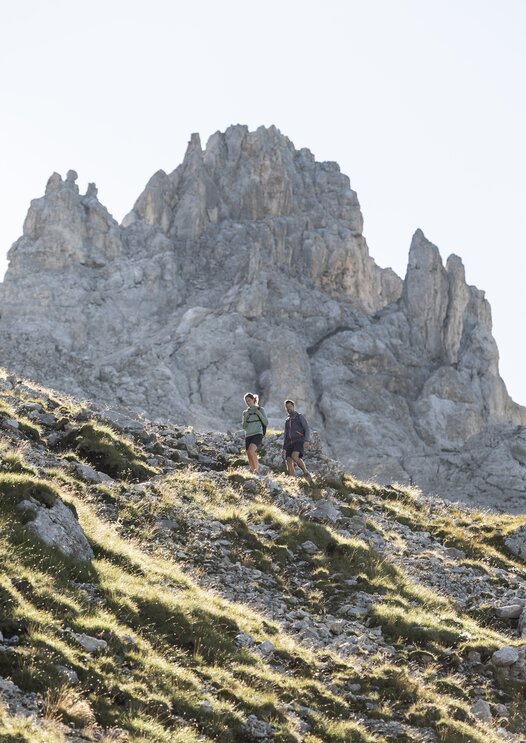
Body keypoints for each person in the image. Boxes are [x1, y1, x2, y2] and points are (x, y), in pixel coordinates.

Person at [282, 399, 312, 479]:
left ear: (293, 407)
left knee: (295, 456)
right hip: (289, 443)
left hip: (299, 440)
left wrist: (306, 440)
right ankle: (293, 479)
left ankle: (305, 472)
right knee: (288, 460)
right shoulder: (287, 421)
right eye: (287, 407)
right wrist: (284, 448)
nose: (289, 408)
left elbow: (307, 428)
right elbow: (285, 435)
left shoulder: (299, 416)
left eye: (290, 406)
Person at [242, 393, 268, 475]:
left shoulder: (261, 409)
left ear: (253, 399)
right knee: (248, 453)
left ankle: (257, 470)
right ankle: (253, 471)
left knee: (251, 450)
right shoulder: (245, 412)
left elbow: (266, 422)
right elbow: (244, 427)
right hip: (248, 435)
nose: (248, 403)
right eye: (246, 401)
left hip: (257, 434)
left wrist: (259, 414)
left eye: (249, 400)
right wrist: (245, 418)